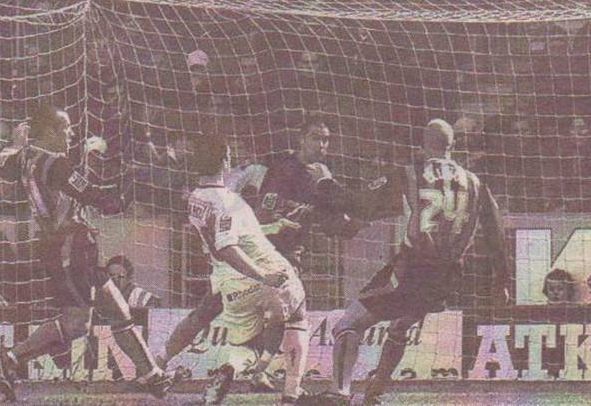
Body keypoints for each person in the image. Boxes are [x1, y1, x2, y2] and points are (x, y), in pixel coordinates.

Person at [157, 120, 393, 402]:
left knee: (228, 313)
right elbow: (263, 209)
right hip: (270, 253)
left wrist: (351, 225)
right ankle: (286, 389)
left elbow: (329, 222)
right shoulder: (283, 169)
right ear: (300, 139)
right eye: (316, 137)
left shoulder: (322, 177)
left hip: (260, 257)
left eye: (326, 139)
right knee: (290, 317)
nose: (322, 145)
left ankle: (165, 363)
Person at [302, 119, 509, 406]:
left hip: (412, 270)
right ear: (453, 145)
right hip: (449, 276)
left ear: (423, 144)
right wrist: (502, 281)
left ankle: (339, 393)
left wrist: (325, 182)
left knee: (346, 325)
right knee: (399, 326)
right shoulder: (476, 183)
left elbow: (361, 204)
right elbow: (496, 235)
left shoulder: (411, 172)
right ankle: (375, 393)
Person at [0, 105, 172, 401]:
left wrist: (16, 144)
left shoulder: (26, 158)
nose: (71, 134)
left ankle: (151, 374)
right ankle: (9, 359)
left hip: (70, 246)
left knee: (119, 311)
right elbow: (96, 197)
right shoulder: (55, 163)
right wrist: (127, 180)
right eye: (66, 128)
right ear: (49, 132)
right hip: (69, 249)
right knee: (77, 324)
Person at [186, 133, 305, 406]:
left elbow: (232, 233)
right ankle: (290, 392)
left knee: (249, 335)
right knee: (294, 316)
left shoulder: (196, 196)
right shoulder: (231, 194)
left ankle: (237, 367)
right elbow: (230, 241)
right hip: (258, 265)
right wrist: (264, 273)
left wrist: (273, 225)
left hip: (228, 278)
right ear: (225, 159)